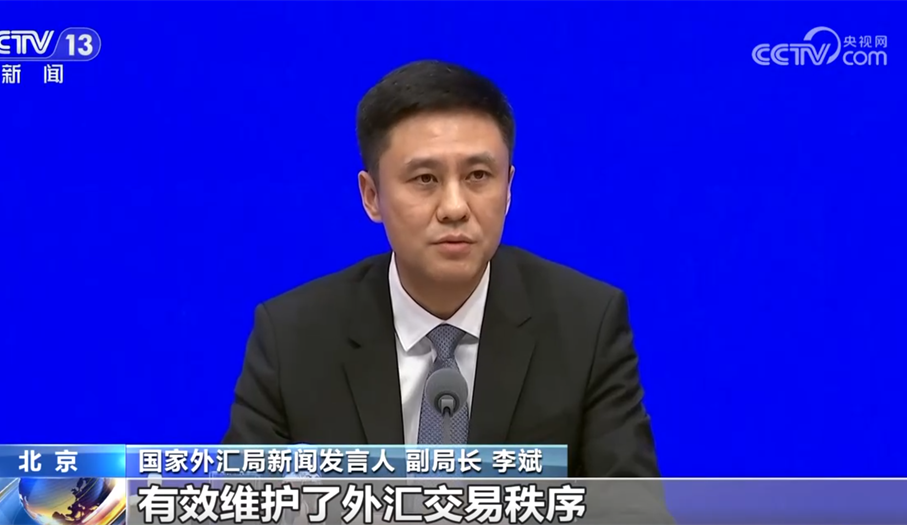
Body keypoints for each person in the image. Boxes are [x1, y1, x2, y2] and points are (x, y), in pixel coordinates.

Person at [223, 60, 664, 483]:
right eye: (425, 179)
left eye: (478, 176)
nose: (455, 208)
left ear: (508, 188)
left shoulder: (586, 325)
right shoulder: (293, 339)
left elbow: (631, 510)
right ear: (372, 196)